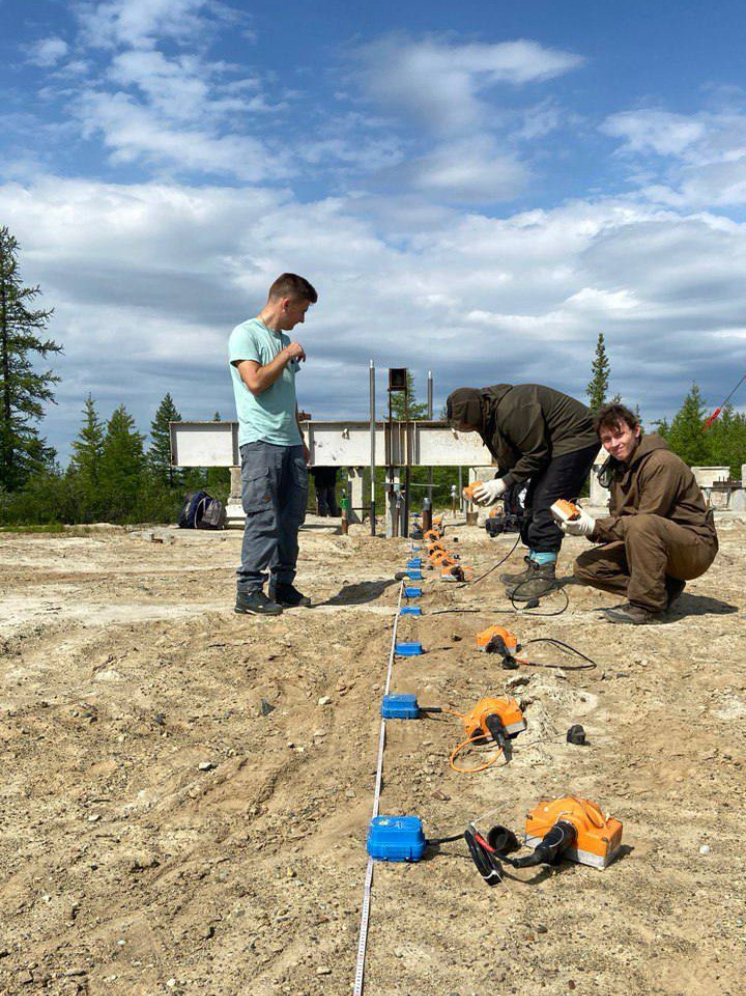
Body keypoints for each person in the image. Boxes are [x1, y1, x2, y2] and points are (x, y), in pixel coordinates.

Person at [562, 403, 718, 624]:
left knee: (642, 525)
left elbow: (645, 520)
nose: (614, 444)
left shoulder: (661, 463)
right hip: (652, 542)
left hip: (694, 549)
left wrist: (595, 527)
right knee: (587, 567)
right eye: (607, 439)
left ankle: (648, 607)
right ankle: (662, 590)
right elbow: (621, 521)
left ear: (636, 431)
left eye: (619, 435)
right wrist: (580, 524)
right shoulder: (618, 468)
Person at [446, 383, 599, 599]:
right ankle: (536, 564)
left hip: (575, 439)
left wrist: (501, 484)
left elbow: (536, 454)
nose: (462, 428)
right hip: (553, 446)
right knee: (531, 501)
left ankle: (544, 574)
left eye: (462, 423)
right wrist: (494, 487)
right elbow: (513, 461)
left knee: (547, 501)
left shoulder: (511, 409)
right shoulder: (489, 419)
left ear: (471, 414)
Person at [228, 273, 318, 616]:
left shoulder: (282, 341)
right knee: (263, 518)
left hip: (290, 443)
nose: (302, 319)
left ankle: (281, 585)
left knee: (290, 519)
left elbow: (286, 396)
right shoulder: (245, 334)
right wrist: (287, 354)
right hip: (261, 443)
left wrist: (300, 438)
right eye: (302, 310)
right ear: (285, 303)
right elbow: (255, 382)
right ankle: (248, 591)